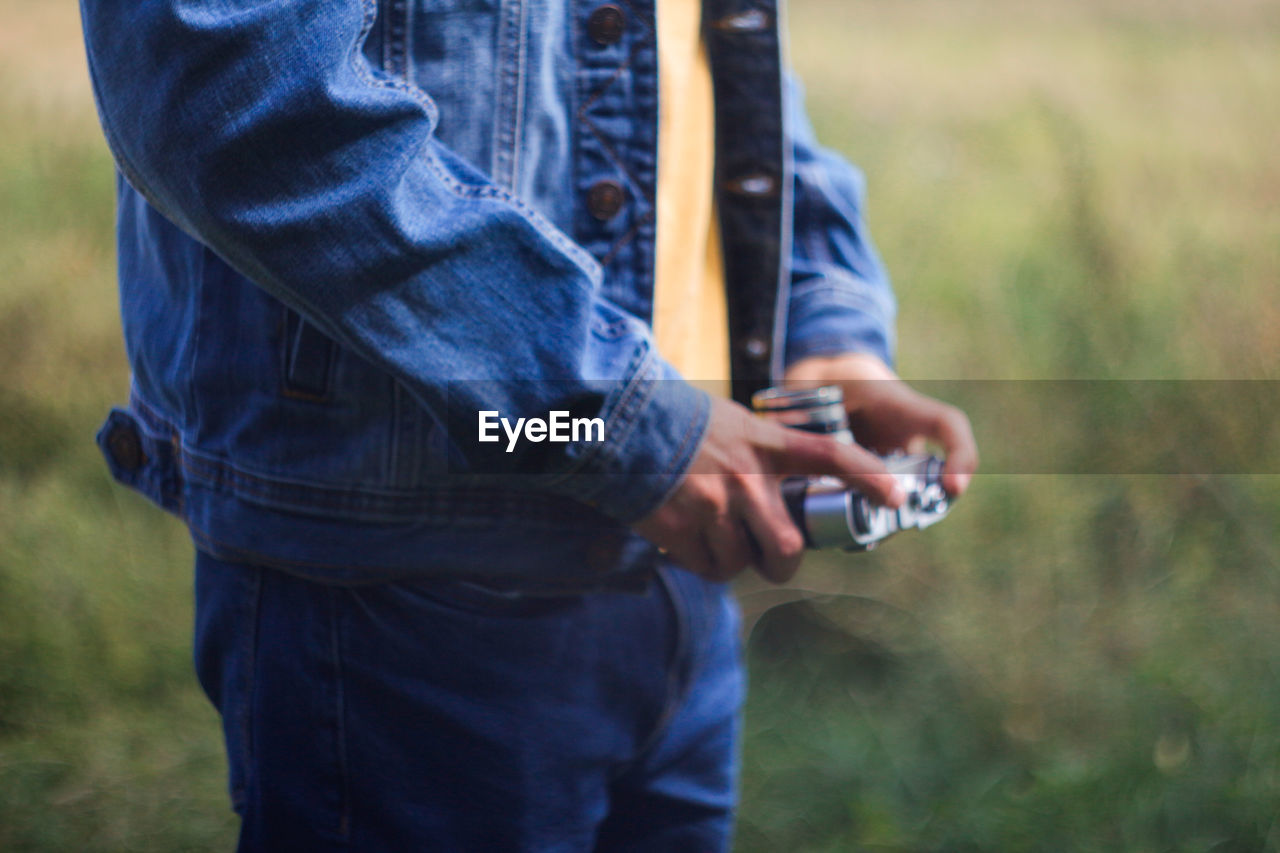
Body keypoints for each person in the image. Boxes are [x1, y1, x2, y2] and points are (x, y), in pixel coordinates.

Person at [80, 0, 977, 849]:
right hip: (403, 590)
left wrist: (819, 323)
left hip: (682, 553)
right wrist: (623, 424)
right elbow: (225, 87)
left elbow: (715, 57)